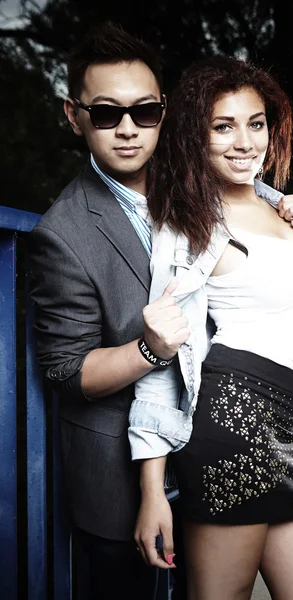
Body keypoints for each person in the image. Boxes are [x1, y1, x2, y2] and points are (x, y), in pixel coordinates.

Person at [128, 56, 293, 600]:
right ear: (197, 137)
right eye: (223, 126)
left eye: (255, 123)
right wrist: (151, 490)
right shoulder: (190, 227)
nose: (244, 142)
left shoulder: (287, 208)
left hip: (288, 431)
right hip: (229, 427)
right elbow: (164, 356)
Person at [28, 22, 190, 600]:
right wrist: (149, 350)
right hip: (117, 477)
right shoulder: (62, 233)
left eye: (144, 112)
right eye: (105, 114)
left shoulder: (194, 189)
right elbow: (67, 372)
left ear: (163, 112)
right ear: (74, 116)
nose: (127, 128)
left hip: (207, 452)